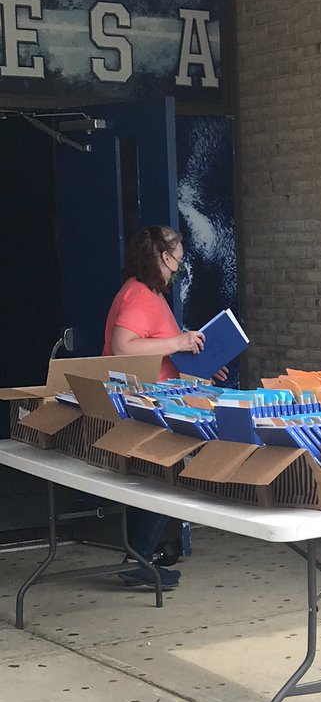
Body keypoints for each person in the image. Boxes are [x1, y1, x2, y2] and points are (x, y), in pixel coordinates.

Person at [103, 225, 218, 588]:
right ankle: (137, 559)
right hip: (146, 403)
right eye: (178, 261)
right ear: (164, 258)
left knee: (155, 480)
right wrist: (181, 342)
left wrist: (199, 357)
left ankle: (140, 556)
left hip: (154, 399)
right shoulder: (140, 296)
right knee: (161, 481)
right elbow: (124, 346)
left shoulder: (144, 292)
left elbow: (161, 346)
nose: (179, 268)